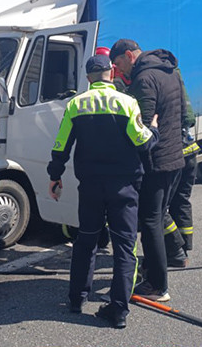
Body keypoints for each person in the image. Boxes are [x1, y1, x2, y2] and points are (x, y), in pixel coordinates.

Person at [47, 54, 159, 329]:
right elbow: (142, 143)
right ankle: (118, 310)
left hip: (91, 186)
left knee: (86, 240)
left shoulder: (76, 104)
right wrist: (154, 130)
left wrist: (55, 176)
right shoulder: (127, 102)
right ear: (111, 72)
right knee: (124, 245)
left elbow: (61, 145)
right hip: (124, 186)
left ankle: (76, 299)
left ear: (88, 78)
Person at [109, 39, 185, 303]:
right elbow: (182, 113)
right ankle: (157, 270)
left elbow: (143, 128)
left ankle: (157, 285)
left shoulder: (143, 78)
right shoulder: (170, 71)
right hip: (175, 157)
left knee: (150, 221)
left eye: (118, 64)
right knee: (158, 216)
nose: (118, 71)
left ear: (129, 56)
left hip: (156, 161)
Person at [168, 69, 200, 261]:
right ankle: (186, 245)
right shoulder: (178, 83)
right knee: (182, 201)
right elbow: (189, 120)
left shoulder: (156, 85)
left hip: (176, 154)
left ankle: (176, 249)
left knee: (161, 208)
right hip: (190, 150)